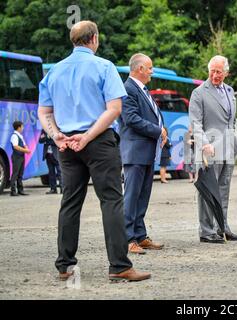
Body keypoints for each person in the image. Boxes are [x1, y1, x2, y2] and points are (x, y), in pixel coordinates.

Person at [38, 20, 150, 281]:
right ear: (94, 39)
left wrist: (57, 136)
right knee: (111, 200)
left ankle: (65, 265)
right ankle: (119, 266)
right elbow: (114, 109)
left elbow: (44, 112)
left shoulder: (54, 71)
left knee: (70, 202)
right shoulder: (104, 67)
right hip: (97, 142)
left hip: (66, 144)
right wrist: (87, 136)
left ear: (73, 41)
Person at [189, 55, 237, 244]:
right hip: (208, 150)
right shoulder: (199, 93)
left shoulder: (229, 91)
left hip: (227, 149)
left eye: (218, 72)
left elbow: (230, 121)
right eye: (212, 71)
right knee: (207, 191)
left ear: (226, 72)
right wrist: (204, 143)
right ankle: (206, 231)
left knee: (223, 191)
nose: (214, 75)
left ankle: (222, 227)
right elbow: (196, 123)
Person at [118, 53, 165, 254]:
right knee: (131, 197)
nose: (152, 72)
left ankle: (140, 235)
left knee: (142, 197)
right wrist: (157, 130)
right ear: (139, 69)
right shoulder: (128, 89)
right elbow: (131, 119)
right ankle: (128, 240)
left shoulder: (142, 90)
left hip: (146, 152)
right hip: (135, 152)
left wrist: (162, 128)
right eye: (150, 68)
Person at [10, 121, 30, 196]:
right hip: (16, 157)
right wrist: (25, 150)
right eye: (22, 126)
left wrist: (27, 149)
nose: (23, 128)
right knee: (15, 174)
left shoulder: (20, 136)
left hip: (21, 156)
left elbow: (24, 144)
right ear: (19, 127)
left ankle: (20, 190)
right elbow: (16, 146)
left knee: (20, 174)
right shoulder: (14, 136)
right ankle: (13, 191)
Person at [39, 129, 62, 194]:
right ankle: (53, 189)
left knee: (59, 172)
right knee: (51, 173)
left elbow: (56, 142)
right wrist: (48, 138)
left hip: (56, 154)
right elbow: (40, 140)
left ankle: (62, 188)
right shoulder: (43, 130)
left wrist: (46, 140)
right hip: (48, 155)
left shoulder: (56, 129)